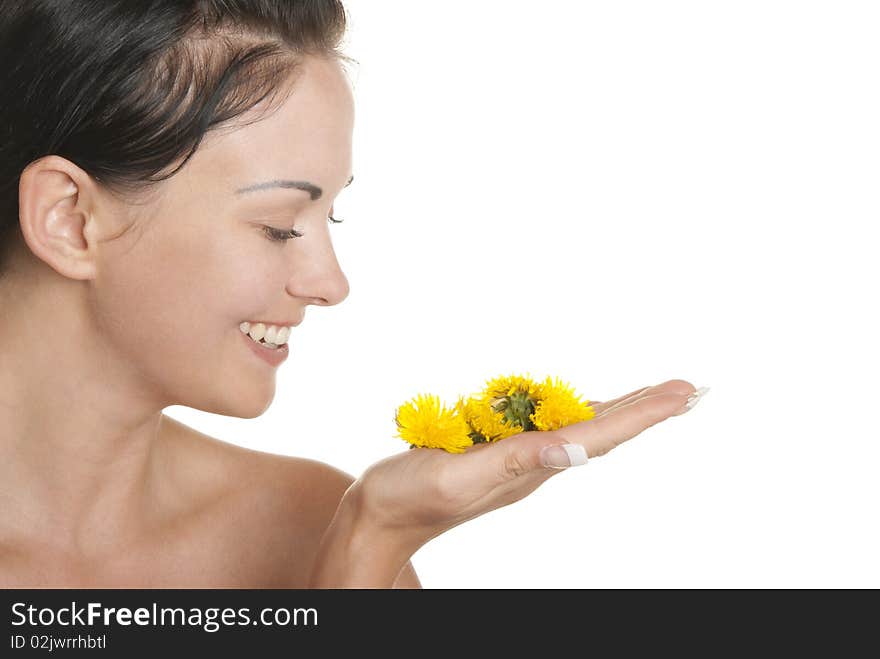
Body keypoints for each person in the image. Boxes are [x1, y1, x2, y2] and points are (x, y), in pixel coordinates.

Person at [0, 0, 700, 588]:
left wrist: (369, 545)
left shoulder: (314, 523)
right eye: (278, 226)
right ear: (69, 219)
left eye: (328, 215)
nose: (330, 284)